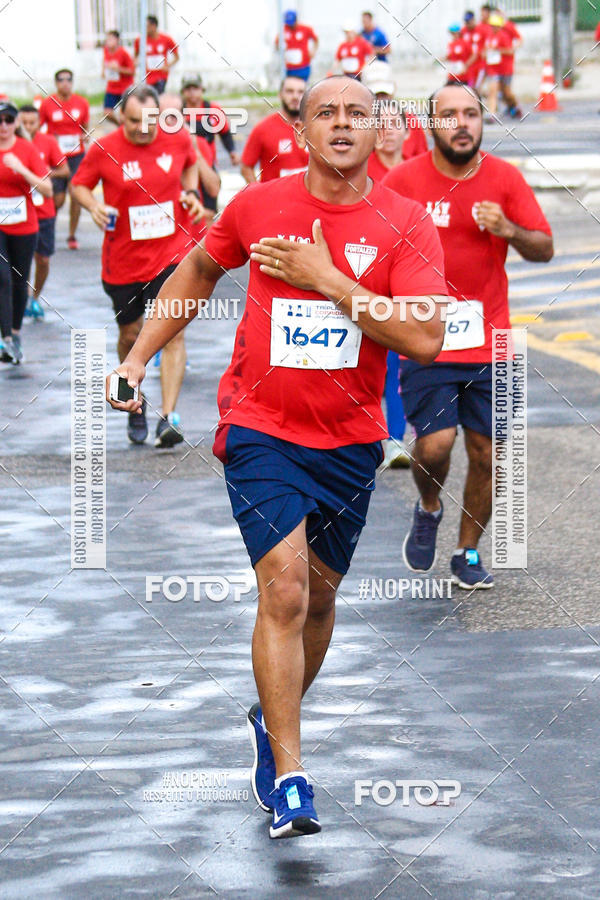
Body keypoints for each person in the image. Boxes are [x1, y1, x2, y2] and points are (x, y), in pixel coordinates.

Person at [106, 75, 449, 838]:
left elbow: (424, 336)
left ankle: (271, 718)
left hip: (351, 441)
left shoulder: (405, 223)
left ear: (376, 130)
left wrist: (325, 279)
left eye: (356, 114)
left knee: (320, 602)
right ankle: (292, 775)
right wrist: (136, 361)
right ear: (300, 129)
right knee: (287, 592)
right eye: (325, 111)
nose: (340, 124)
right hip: (260, 427)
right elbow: (197, 271)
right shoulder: (259, 207)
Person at [383, 82, 553, 589]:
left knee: (488, 454)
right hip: (428, 339)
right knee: (433, 448)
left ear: (483, 121)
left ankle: (468, 551)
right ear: (432, 124)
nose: (462, 124)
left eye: (472, 114)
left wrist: (509, 230)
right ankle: (429, 506)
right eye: (450, 115)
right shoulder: (404, 181)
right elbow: (371, 247)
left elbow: (543, 248)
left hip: (492, 341)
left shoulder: (503, 179)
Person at [72, 85, 203, 447]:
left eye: (149, 121)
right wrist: (93, 206)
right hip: (124, 263)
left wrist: (189, 194)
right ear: (120, 116)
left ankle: (169, 417)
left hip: (171, 255)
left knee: (172, 332)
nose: (142, 129)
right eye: (133, 122)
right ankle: (135, 404)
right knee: (131, 337)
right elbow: (79, 186)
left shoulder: (177, 139)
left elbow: (190, 166)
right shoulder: (104, 148)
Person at [0, 101, 52, 363]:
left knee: (20, 283)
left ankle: (16, 334)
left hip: (23, 226)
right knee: (3, 279)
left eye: (9, 120)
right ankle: (5, 337)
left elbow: (47, 189)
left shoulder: (26, 149)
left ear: (16, 123)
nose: (4, 126)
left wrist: (19, 168)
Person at [18, 104, 70, 318]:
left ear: (40, 123)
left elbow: (65, 170)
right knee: (17, 261)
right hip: (17, 212)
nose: (28, 127)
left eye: (33, 123)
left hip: (44, 211)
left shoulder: (47, 142)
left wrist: (46, 172)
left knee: (43, 259)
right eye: (24, 123)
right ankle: (17, 299)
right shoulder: (11, 143)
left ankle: (35, 298)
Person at [38, 69, 89, 250]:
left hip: (76, 156)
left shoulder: (82, 103)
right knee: (57, 199)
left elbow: (85, 128)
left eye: (68, 79)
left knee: (75, 194)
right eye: (61, 79)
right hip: (56, 157)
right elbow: (38, 128)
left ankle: (72, 235)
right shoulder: (48, 104)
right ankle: (47, 229)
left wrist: (85, 137)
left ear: (72, 82)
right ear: (56, 83)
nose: (65, 83)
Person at [240, 76, 308, 183]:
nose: (295, 96)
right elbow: (246, 167)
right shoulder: (262, 129)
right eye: (290, 91)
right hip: (276, 199)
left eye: (300, 92)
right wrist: (259, 193)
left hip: (306, 199)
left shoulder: (315, 127)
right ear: (280, 95)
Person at [483, 13, 520, 121]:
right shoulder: (489, 37)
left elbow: (510, 51)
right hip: (493, 69)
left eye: (495, 25)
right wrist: (486, 53)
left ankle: (514, 106)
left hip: (505, 68)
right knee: (492, 90)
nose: (493, 28)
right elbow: (486, 50)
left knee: (507, 93)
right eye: (492, 25)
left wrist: (498, 50)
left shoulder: (504, 36)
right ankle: (492, 114)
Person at [134, 15, 179, 95]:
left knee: (158, 96)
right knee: (148, 99)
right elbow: (135, 56)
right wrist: (136, 62)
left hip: (161, 76)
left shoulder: (166, 39)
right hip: (146, 76)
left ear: (154, 26)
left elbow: (176, 57)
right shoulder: (140, 40)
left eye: (147, 26)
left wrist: (168, 65)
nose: (145, 29)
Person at [102, 30, 135, 125]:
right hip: (111, 88)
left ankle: (126, 129)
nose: (108, 42)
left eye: (111, 39)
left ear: (117, 40)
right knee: (107, 113)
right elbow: (105, 60)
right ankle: (120, 126)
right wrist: (103, 71)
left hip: (124, 88)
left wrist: (118, 69)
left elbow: (131, 71)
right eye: (107, 39)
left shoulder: (123, 53)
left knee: (124, 114)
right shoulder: (106, 50)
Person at [276, 10, 318, 81]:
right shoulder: (283, 30)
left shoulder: (305, 29)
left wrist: (313, 51)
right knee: (291, 87)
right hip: (289, 67)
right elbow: (277, 43)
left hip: (303, 66)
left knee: (302, 86)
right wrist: (281, 52)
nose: (290, 25)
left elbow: (316, 39)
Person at [461, 10, 490, 90]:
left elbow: (488, 44)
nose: (467, 24)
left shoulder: (481, 30)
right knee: (470, 88)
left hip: (480, 65)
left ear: (473, 20)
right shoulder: (463, 31)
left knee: (476, 88)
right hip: (469, 66)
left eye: (469, 22)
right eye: (466, 22)